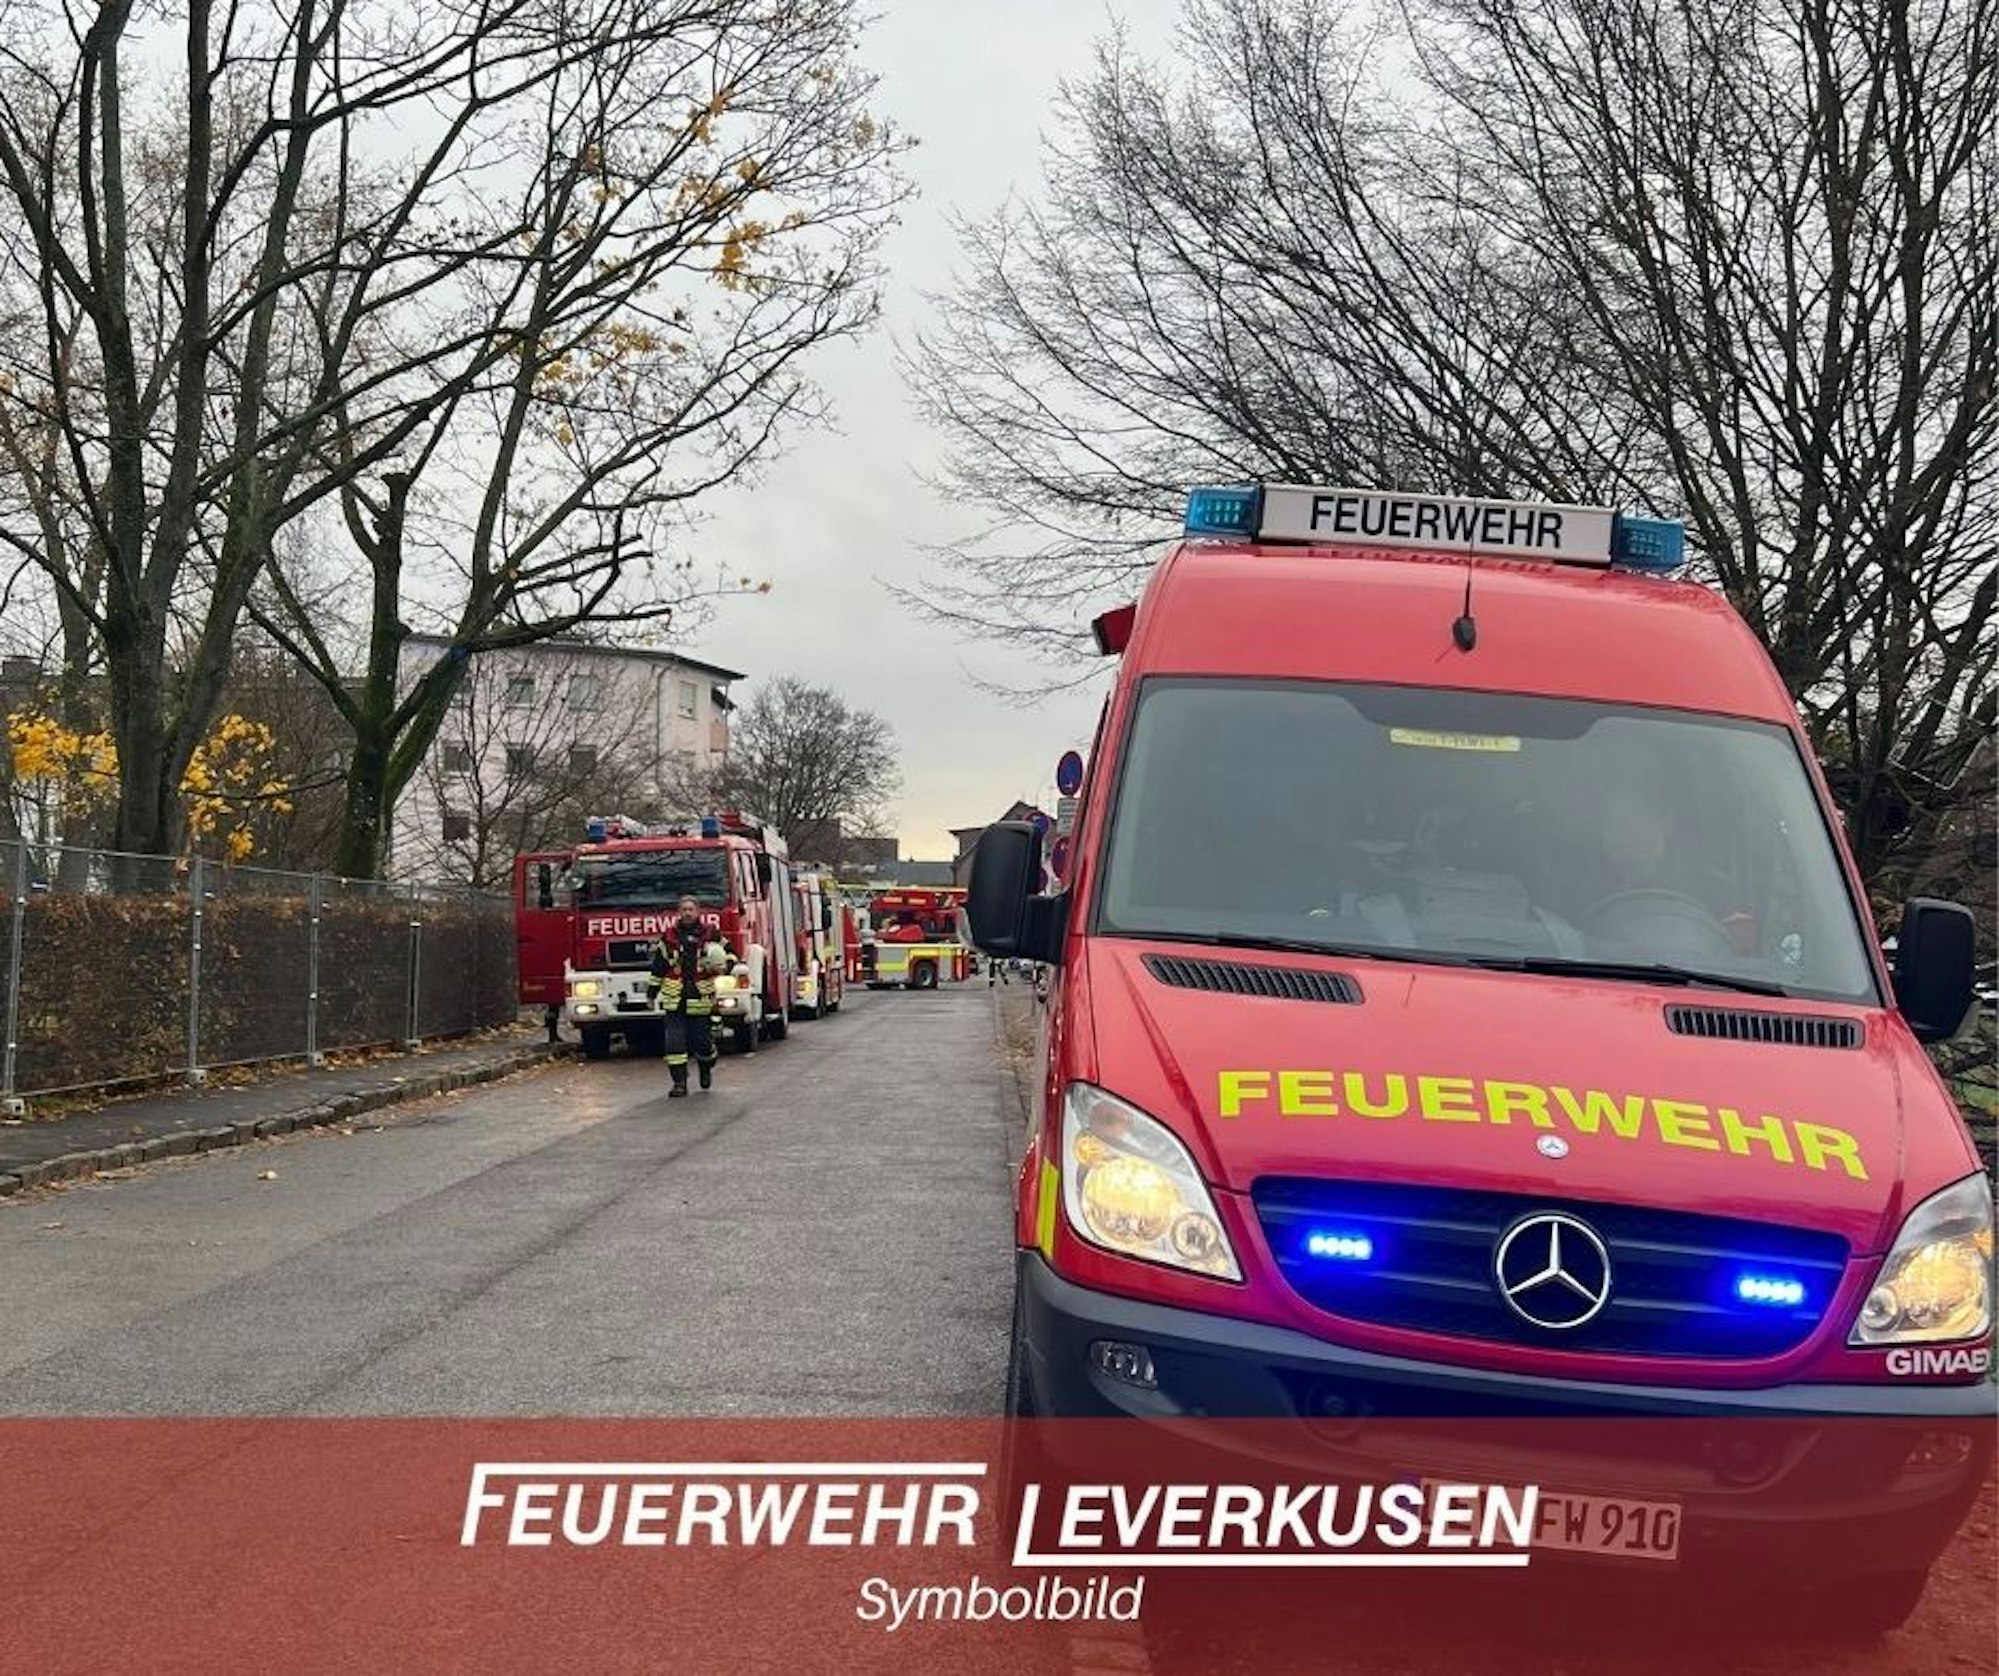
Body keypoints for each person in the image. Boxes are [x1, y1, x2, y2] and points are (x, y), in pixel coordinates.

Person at [648, 896, 721, 1098]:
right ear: (678, 912)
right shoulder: (669, 937)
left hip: (700, 997)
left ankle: (706, 1065)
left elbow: (730, 955)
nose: (687, 913)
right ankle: (679, 1083)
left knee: (701, 1043)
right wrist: (651, 994)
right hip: (675, 998)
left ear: (698, 912)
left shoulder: (711, 934)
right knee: (674, 1044)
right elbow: (659, 967)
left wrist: (724, 967)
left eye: (691, 909)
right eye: (683, 909)